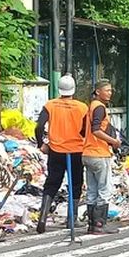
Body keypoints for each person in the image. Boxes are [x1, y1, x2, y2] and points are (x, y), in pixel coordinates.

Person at [35, 75, 88, 234]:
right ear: (74, 89)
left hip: (56, 151)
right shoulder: (82, 107)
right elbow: (85, 130)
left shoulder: (50, 105)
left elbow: (38, 127)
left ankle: (43, 217)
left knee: (52, 183)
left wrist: (41, 144)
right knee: (76, 184)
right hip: (76, 151)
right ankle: (72, 219)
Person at [83, 80, 122, 235]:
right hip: (99, 153)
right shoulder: (99, 107)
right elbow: (95, 130)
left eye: (111, 90)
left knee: (92, 191)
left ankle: (92, 225)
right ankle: (100, 224)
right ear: (98, 91)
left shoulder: (90, 106)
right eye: (107, 90)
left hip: (87, 153)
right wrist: (113, 141)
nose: (110, 93)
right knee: (104, 190)